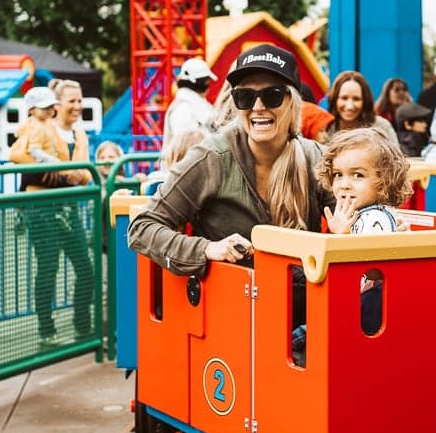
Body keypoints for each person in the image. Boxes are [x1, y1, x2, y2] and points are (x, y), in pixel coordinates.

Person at [128, 43, 334, 276]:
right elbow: (142, 227)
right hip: (231, 305)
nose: (258, 107)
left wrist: (345, 236)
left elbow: (361, 226)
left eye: (272, 96)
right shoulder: (212, 157)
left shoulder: (316, 158)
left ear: (293, 102)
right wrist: (207, 249)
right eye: (244, 97)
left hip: (303, 304)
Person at [9, 80, 93, 344]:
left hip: (67, 207)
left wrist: (67, 173)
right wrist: (64, 173)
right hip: (44, 207)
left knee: (85, 268)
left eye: (80, 101)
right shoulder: (39, 129)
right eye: (72, 101)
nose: (77, 106)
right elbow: (20, 159)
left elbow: (84, 175)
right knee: (48, 268)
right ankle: (47, 330)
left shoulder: (77, 135)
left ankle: (83, 327)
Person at [314, 127, 412, 339]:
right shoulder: (360, 214)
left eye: (357, 175)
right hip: (357, 306)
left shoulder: (374, 218)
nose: (344, 185)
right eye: (338, 175)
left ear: (384, 180)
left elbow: (376, 270)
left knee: (303, 338)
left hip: (368, 310)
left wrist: (342, 237)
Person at [162, 57, 217, 161]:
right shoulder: (183, 108)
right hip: (187, 169)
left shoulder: (196, 104)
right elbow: (185, 146)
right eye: (207, 81)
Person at [325, 70, 399, 145]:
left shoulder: (381, 127)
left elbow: (396, 155)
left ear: (365, 101)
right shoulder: (325, 128)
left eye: (356, 99)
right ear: (334, 99)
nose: (350, 106)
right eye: (344, 98)